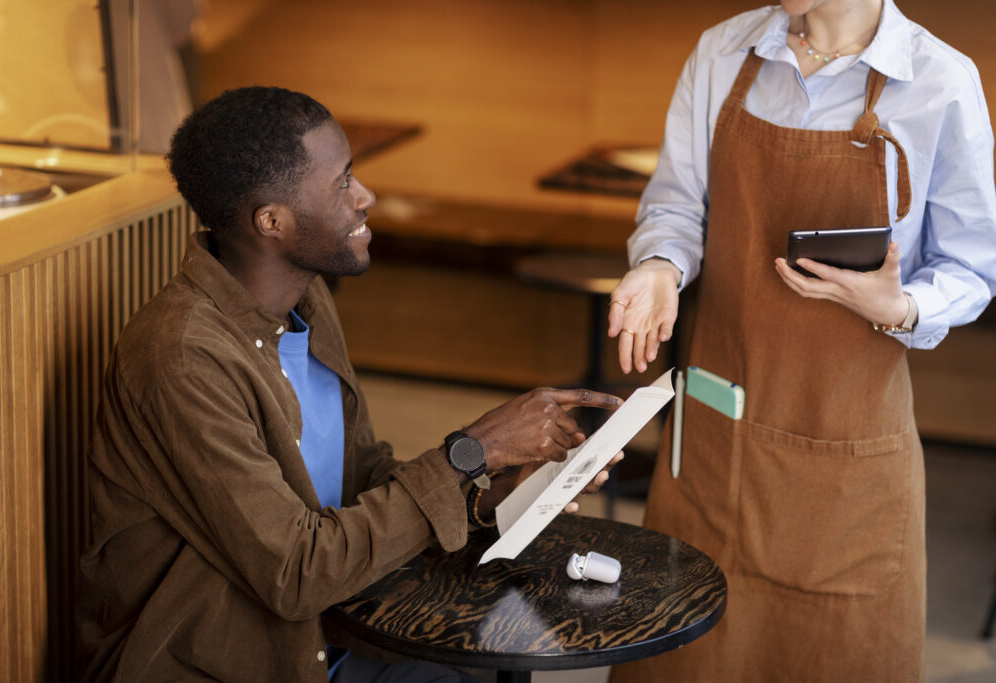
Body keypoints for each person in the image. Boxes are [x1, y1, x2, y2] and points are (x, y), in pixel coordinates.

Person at [77, 86, 623, 683]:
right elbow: (295, 571)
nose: (366, 197)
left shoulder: (306, 299)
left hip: (330, 634)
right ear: (271, 221)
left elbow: (359, 480)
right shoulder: (181, 357)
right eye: (342, 183)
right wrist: (470, 452)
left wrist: (494, 489)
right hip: (223, 659)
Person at [606, 0, 996, 680]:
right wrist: (661, 265)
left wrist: (899, 304)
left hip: (847, 472)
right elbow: (674, 202)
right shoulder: (722, 53)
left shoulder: (939, 80)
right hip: (712, 447)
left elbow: (971, 267)